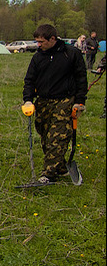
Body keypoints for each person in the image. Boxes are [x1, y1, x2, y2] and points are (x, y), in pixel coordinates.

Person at [22, 24, 88, 185]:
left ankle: (48, 174)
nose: (38, 45)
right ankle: (60, 167)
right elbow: (29, 80)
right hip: (43, 102)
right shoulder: (38, 57)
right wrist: (28, 99)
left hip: (64, 101)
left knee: (57, 137)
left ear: (52, 39)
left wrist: (80, 102)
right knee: (45, 137)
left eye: (41, 42)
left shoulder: (71, 54)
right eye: (36, 42)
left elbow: (81, 78)